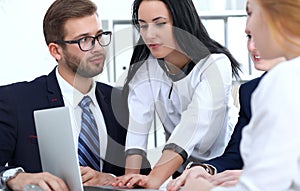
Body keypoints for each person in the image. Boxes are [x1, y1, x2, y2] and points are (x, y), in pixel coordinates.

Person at [0, 0, 150, 190]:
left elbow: (144, 176)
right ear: (56, 51)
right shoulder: (16, 101)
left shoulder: (121, 102)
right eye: (84, 40)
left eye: (99, 36)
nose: (97, 47)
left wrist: (110, 178)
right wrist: (14, 177)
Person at [112, 0, 241, 189]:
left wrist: (154, 179)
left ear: (182, 22)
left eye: (160, 23)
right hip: (178, 171)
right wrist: (129, 181)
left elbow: (193, 124)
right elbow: (137, 132)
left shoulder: (215, 64)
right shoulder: (147, 69)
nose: (149, 34)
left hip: (219, 169)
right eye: (143, 25)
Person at [180, 0, 300, 190]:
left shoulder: (284, 80)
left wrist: (201, 188)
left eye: (251, 13)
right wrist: (208, 169)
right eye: (247, 36)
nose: (247, 24)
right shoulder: (253, 90)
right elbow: (236, 155)